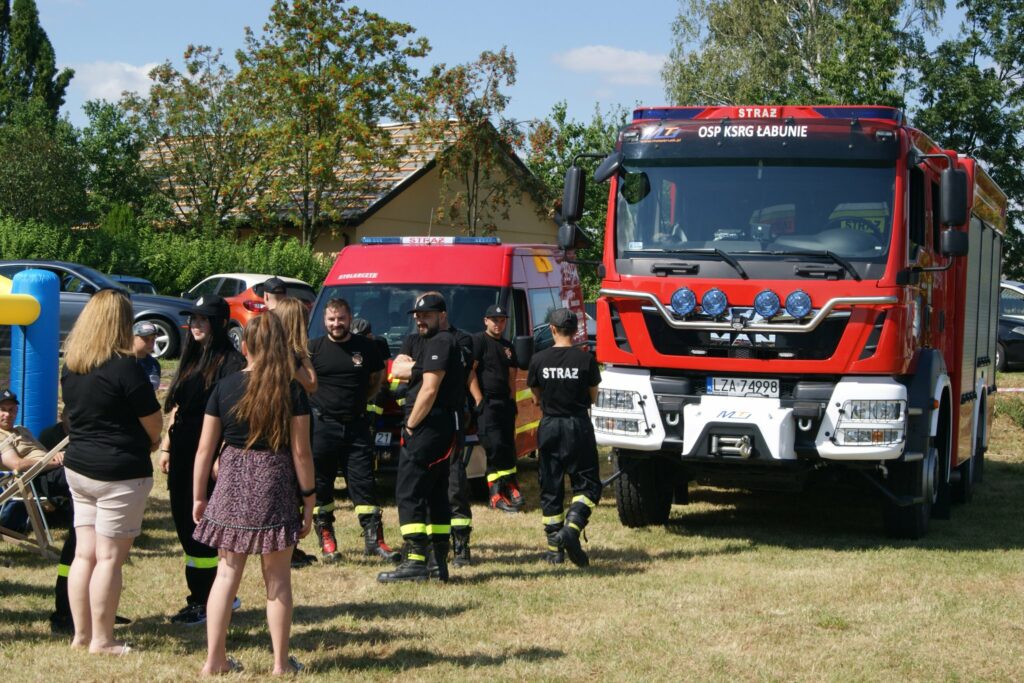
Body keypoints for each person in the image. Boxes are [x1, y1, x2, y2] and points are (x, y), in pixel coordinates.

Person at [192, 313, 314, 676]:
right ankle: (280, 664)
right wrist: (309, 498)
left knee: (226, 574)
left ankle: (214, 660)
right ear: (281, 348)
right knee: (277, 578)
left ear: (245, 347)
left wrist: (199, 496)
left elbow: (204, 450)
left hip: (231, 478)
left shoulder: (225, 386)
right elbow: (302, 453)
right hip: (275, 481)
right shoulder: (291, 390)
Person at [60, 289, 163, 654]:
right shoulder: (125, 367)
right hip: (119, 471)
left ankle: (81, 636)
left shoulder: (73, 364)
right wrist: (153, 441)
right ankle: (103, 640)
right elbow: (153, 422)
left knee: (83, 555)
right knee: (108, 559)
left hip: (79, 467)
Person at [159, 295, 246, 626]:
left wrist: (221, 456)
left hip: (209, 457)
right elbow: (178, 407)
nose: (195, 325)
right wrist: (167, 446)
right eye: (193, 319)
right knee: (186, 526)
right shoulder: (192, 357)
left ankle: (205, 599)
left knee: (202, 530)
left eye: (203, 319)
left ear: (220, 323)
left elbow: (234, 418)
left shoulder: (231, 363)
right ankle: (210, 595)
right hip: (184, 453)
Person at [378, 293, 464, 583]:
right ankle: (438, 561)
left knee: (408, 492)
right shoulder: (425, 340)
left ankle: (414, 560)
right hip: (438, 427)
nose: (420, 320)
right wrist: (412, 367)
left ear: (442, 315)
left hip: (428, 426)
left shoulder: (441, 342)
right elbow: (396, 370)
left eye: (426, 315)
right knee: (436, 493)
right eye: (417, 316)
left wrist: (411, 426)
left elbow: (429, 389)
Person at [307, 298, 397, 563]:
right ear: (324, 321)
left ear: (349, 318)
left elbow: (377, 379)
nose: (336, 324)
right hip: (322, 427)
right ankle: (327, 539)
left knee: (364, 482)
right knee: (321, 484)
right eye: (331, 319)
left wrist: (362, 401)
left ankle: (374, 540)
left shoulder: (366, 348)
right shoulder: (313, 349)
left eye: (341, 318)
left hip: (357, 426)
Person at [526, 308, 601, 568]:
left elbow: (535, 398)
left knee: (550, 485)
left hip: (549, 426)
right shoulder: (586, 360)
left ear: (552, 329)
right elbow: (594, 397)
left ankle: (554, 550)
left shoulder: (538, 359)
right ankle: (571, 529)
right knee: (588, 485)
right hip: (577, 425)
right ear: (576, 330)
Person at [270, 297, 318, 569]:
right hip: (292, 420)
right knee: (293, 481)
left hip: (278, 422)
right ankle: (289, 545)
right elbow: (312, 383)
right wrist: (301, 356)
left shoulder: (269, 351)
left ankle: (290, 545)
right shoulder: (290, 355)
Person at [470, 304, 522, 515]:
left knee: (507, 446)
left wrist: (512, 400)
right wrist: (478, 399)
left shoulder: (508, 346)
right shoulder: (479, 341)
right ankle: (496, 493)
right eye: (494, 320)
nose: (498, 324)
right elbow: (470, 372)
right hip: (487, 403)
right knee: (494, 446)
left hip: (505, 403)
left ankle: (508, 487)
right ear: (486, 321)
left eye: (501, 320)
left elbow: (512, 375)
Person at [132, 321, 162, 392]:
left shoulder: (154, 364)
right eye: (146, 339)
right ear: (132, 338)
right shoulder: (124, 362)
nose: (150, 343)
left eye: (153, 339)